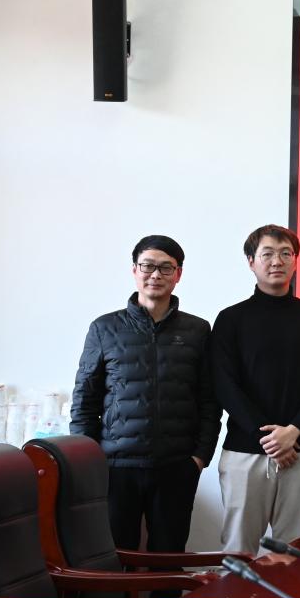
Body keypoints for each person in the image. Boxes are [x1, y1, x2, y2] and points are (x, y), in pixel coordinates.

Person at [71, 235, 219, 555]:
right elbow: (84, 399)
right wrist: (89, 460)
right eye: (148, 266)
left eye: (166, 268)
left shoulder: (197, 330)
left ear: (178, 275)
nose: (156, 275)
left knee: (169, 556)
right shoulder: (104, 328)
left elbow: (209, 399)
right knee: (114, 556)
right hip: (116, 466)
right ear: (134, 270)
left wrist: (199, 457)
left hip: (177, 466)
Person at [212, 225, 300, 555]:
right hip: (245, 452)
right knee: (238, 550)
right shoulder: (230, 319)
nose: (277, 261)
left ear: (296, 260)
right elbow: (224, 385)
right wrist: (267, 437)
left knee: (293, 552)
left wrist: (293, 430)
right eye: (267, 254)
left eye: (285, 253)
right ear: (251, 261)